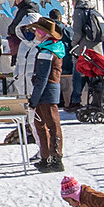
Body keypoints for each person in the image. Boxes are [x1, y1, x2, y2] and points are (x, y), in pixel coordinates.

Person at [29, 18, 68, 172]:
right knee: (42, 124)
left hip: (46, 91)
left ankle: (55, 158)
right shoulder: (53, 48)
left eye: (37, 30)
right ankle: (46, 157)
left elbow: (42, 78)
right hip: (49, 90)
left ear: (43, 33)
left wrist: (34, 99)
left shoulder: (46, 51)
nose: (34, 33)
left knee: (51, 124)